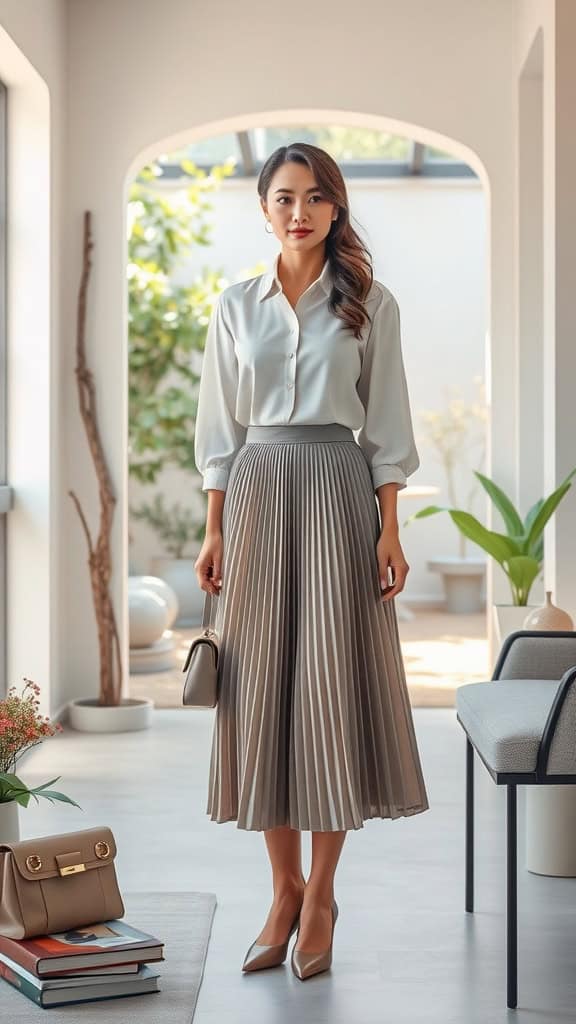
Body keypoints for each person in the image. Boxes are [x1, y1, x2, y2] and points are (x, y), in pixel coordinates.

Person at [194, 142, 430, 981]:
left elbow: (388, 428)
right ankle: (283, 888)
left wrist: (389, 527)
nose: (300, 211)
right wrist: (214, 527)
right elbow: (219, 430)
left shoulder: (370, 302)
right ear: (264, 207)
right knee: (260, 692)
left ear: (335, 209)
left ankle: (324, 895)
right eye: (285, 196)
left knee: (330, 690)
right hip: (256, 493)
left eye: (316, 197)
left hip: (337, 493)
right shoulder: (234, 305)